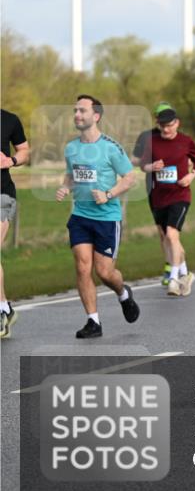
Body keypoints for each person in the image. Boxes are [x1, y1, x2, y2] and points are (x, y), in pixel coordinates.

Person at [55, 95, 140, 338]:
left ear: (96, 116)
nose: (77, 115)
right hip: (80, 215)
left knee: (104, 273)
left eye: (82, 111)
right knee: (83, 267)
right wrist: (65, 187)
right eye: (75, 110)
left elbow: (129, 178)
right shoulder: (71, 148)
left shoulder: (111, 147)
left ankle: (123, 293)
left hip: (107, 218)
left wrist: (108, 194)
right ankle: (93, 321)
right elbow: (71, 175)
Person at [134, 103, 195, 296]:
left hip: (180, 194)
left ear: (177, 123)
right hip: (159, 196)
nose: (166, 129)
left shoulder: (185, 141)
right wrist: (152, 167)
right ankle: (185, 273)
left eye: (169, 125)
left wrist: (192, 175)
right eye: (162, 126)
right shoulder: (152, 141)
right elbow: (143, 165)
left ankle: (173, 278)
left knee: (172, 235)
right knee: (168, 238)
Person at [1, 109, 29, 338]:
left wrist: (11, 160)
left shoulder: (9, 120)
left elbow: (24, 150)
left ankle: (1, 311)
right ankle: (5, 308)